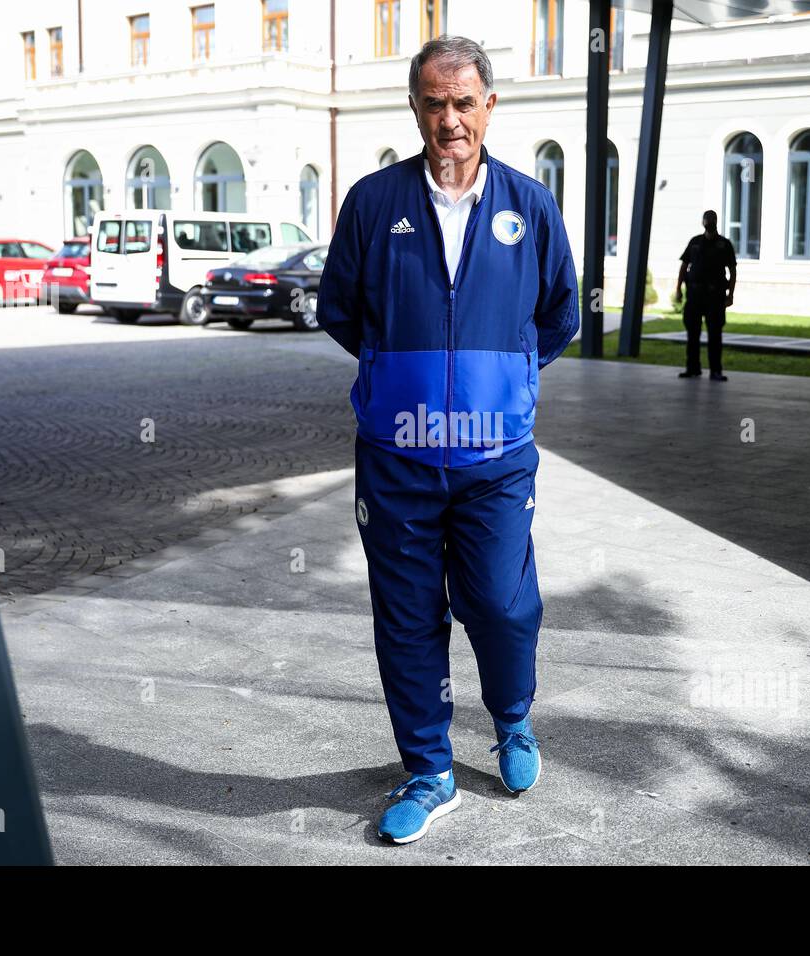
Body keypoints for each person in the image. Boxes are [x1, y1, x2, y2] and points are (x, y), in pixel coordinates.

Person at [315, 36, 579, 844]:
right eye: (435, 102)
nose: (450, 119)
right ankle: (428, 769)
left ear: (488, 107)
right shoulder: (371, 202)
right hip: (396, 455)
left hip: (495, 459)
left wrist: (502, 386)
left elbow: (560, 314)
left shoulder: (529, 205)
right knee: (405, 616)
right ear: (415, 108)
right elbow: (339, 310)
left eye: (465, 102)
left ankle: (513, 719)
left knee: (500, 604)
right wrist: (402, 373)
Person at [674, 210, 736, 381]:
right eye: (706, 220)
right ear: (703, 222)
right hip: (694, 295)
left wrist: (730, 294)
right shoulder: (695, 242)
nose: (709, 222)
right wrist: (678, 289)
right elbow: (684, 266)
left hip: (715, 296)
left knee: (715, 335)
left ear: (716, 222)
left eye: (711, 220)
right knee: (692, 334)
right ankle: (693, 368)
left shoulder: (724, 244)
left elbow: (732, 270)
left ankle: (715, 371)